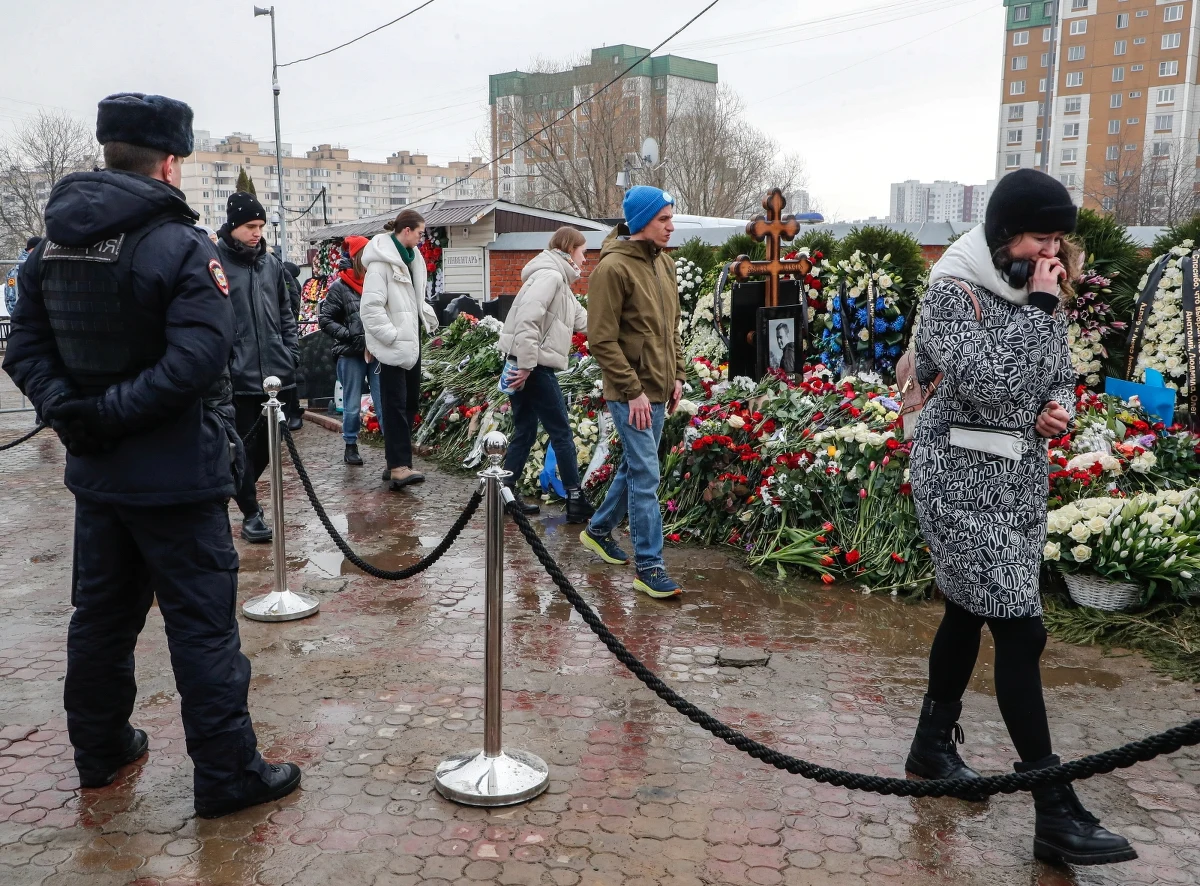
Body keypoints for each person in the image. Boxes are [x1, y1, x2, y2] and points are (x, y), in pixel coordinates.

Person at [1, 92, 300, 818]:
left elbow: (24, 350)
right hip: (175, 480)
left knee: (100, 622)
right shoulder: (179, 245)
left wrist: (77, 416)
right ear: (169, 161)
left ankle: (99, 752)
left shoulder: (51, 247)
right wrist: (102, 415)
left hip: (100, 477)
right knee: (201, 630)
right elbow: (200, 361)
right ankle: (228, 777)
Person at [907, 169, 1134, 866]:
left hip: (1015, 482)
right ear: (1004, 233)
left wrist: (1056, 406)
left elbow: (1053, 371)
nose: (1051, 258)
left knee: (967, 614)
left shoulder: (1036, 291)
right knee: (1020, 628)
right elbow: (989, 383)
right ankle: (1053, 805)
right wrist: (1038, 310)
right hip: (957, 481)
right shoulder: (951, 292)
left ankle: (931, 747)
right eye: (1041, 240)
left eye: (1058, 243)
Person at [578, 186, 687, 599]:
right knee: (646, 476)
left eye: (670, 218)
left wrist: (678, 375)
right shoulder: (613, 270)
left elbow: (670, 328)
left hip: (659, 387)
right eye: (663, 219)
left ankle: (599, 529)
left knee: (635, 468)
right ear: (642, 221)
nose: (670, 227)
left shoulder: (665, 265)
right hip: (630, 394)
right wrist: (633, 392)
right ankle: (649, 566)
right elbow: (601, 340)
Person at [217, 190, 300, 543]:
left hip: (275, 374)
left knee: (267, 447)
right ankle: (251, 512)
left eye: (261, 226)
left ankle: (229, 493)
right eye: (250, 225)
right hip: (236, 377)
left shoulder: (270, 264)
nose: (257, 232)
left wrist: (290, 350)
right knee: (239, 449)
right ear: (233, 226)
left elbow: (285, 311)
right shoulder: (214, 261)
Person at [497, 226, 593, 522]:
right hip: (533, 367)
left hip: (526, 364)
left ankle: (507, 495)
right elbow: (528, 319)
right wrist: (526, 365)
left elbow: (583, 320)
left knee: (525, 430)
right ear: (569, 249)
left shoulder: (558, 280)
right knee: (561, 432)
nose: (585, 259)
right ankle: (575, 500)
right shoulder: (551, 276)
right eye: (583, 252)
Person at [360, 209, 438, 490]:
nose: (421, 237)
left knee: (408, 404)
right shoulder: (381, 265)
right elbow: (370, 308)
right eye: (419, 232)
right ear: (406, 231)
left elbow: (415, 299)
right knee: (394, 406)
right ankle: (398, 467)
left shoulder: (411, 258)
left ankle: (395, 461)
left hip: (410, 344)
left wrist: (425, 316)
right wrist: (390, 337)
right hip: (392, 346)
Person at [319, 235, 382, 466]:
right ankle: (350, 445)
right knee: (352, 404)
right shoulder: (340, 286)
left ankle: (391, 453)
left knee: (383, 401)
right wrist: (351, 336)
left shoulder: (378, 281)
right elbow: (325, 320)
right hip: (350, 353)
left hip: (377, 352)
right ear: (358, 257)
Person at [4, 236, 41, 317]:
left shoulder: (40, 266)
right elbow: (11, 299)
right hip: (25, 320)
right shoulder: (16, 270)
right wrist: (20, 318)